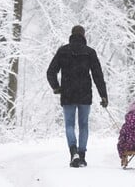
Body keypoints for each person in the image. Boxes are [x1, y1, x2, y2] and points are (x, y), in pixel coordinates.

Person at [46, 25, 108, 168]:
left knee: (69, 124)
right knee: (84, 125)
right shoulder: (89, 52)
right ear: (83, 36)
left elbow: (50, 71)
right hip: (85, 93)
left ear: (72, 35)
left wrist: (56, 87)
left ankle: (73, 152)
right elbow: (98, 75)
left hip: (68, 93)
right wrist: (103, 96)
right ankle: (82, 155)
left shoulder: (63, 51)